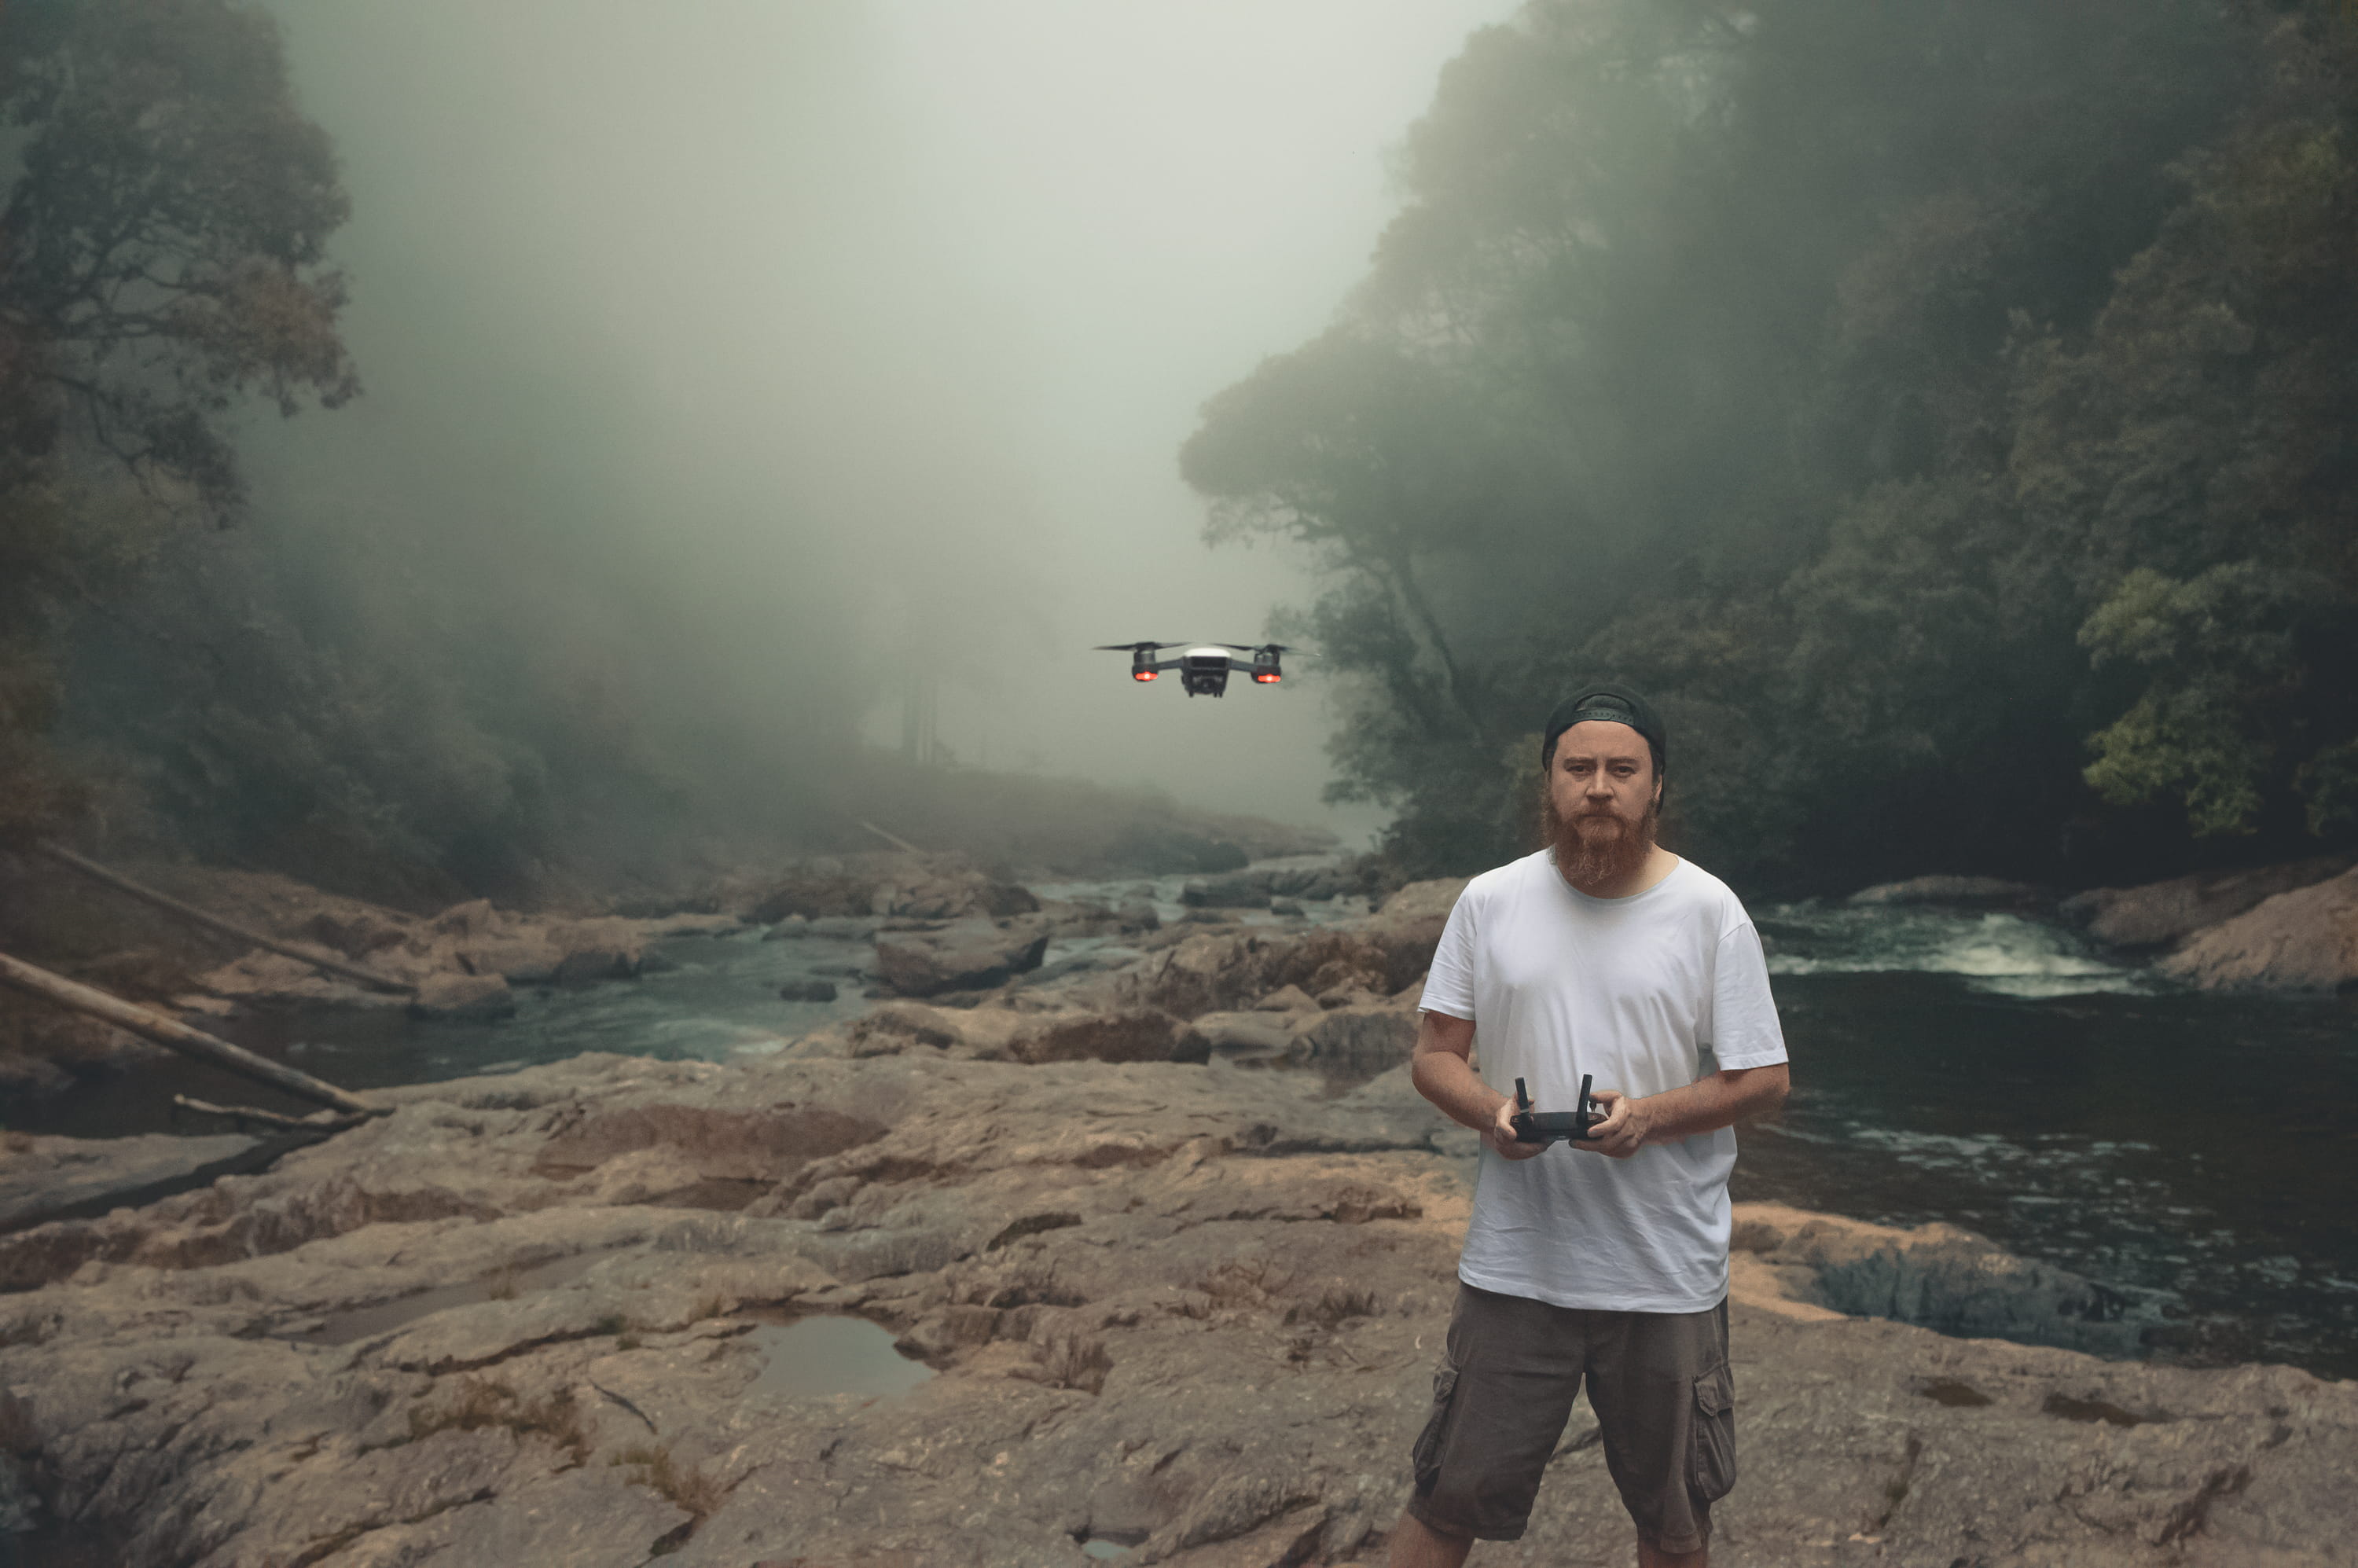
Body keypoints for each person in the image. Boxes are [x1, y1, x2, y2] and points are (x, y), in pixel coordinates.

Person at [1387, 684, 1790, 1568]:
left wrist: (1648, 1115)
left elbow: (1764, 1076)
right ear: (1549, 783)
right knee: (1446, 1499)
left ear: (1655, 787)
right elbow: (1434, 1054)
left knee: (1675, 1524)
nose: (1599, 786)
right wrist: (1493, 1112)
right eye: (1579, 768)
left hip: (1663, 1272)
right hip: (1517, 1268)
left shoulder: (1710, 911)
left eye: (1621, 769)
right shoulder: (1490, 902)